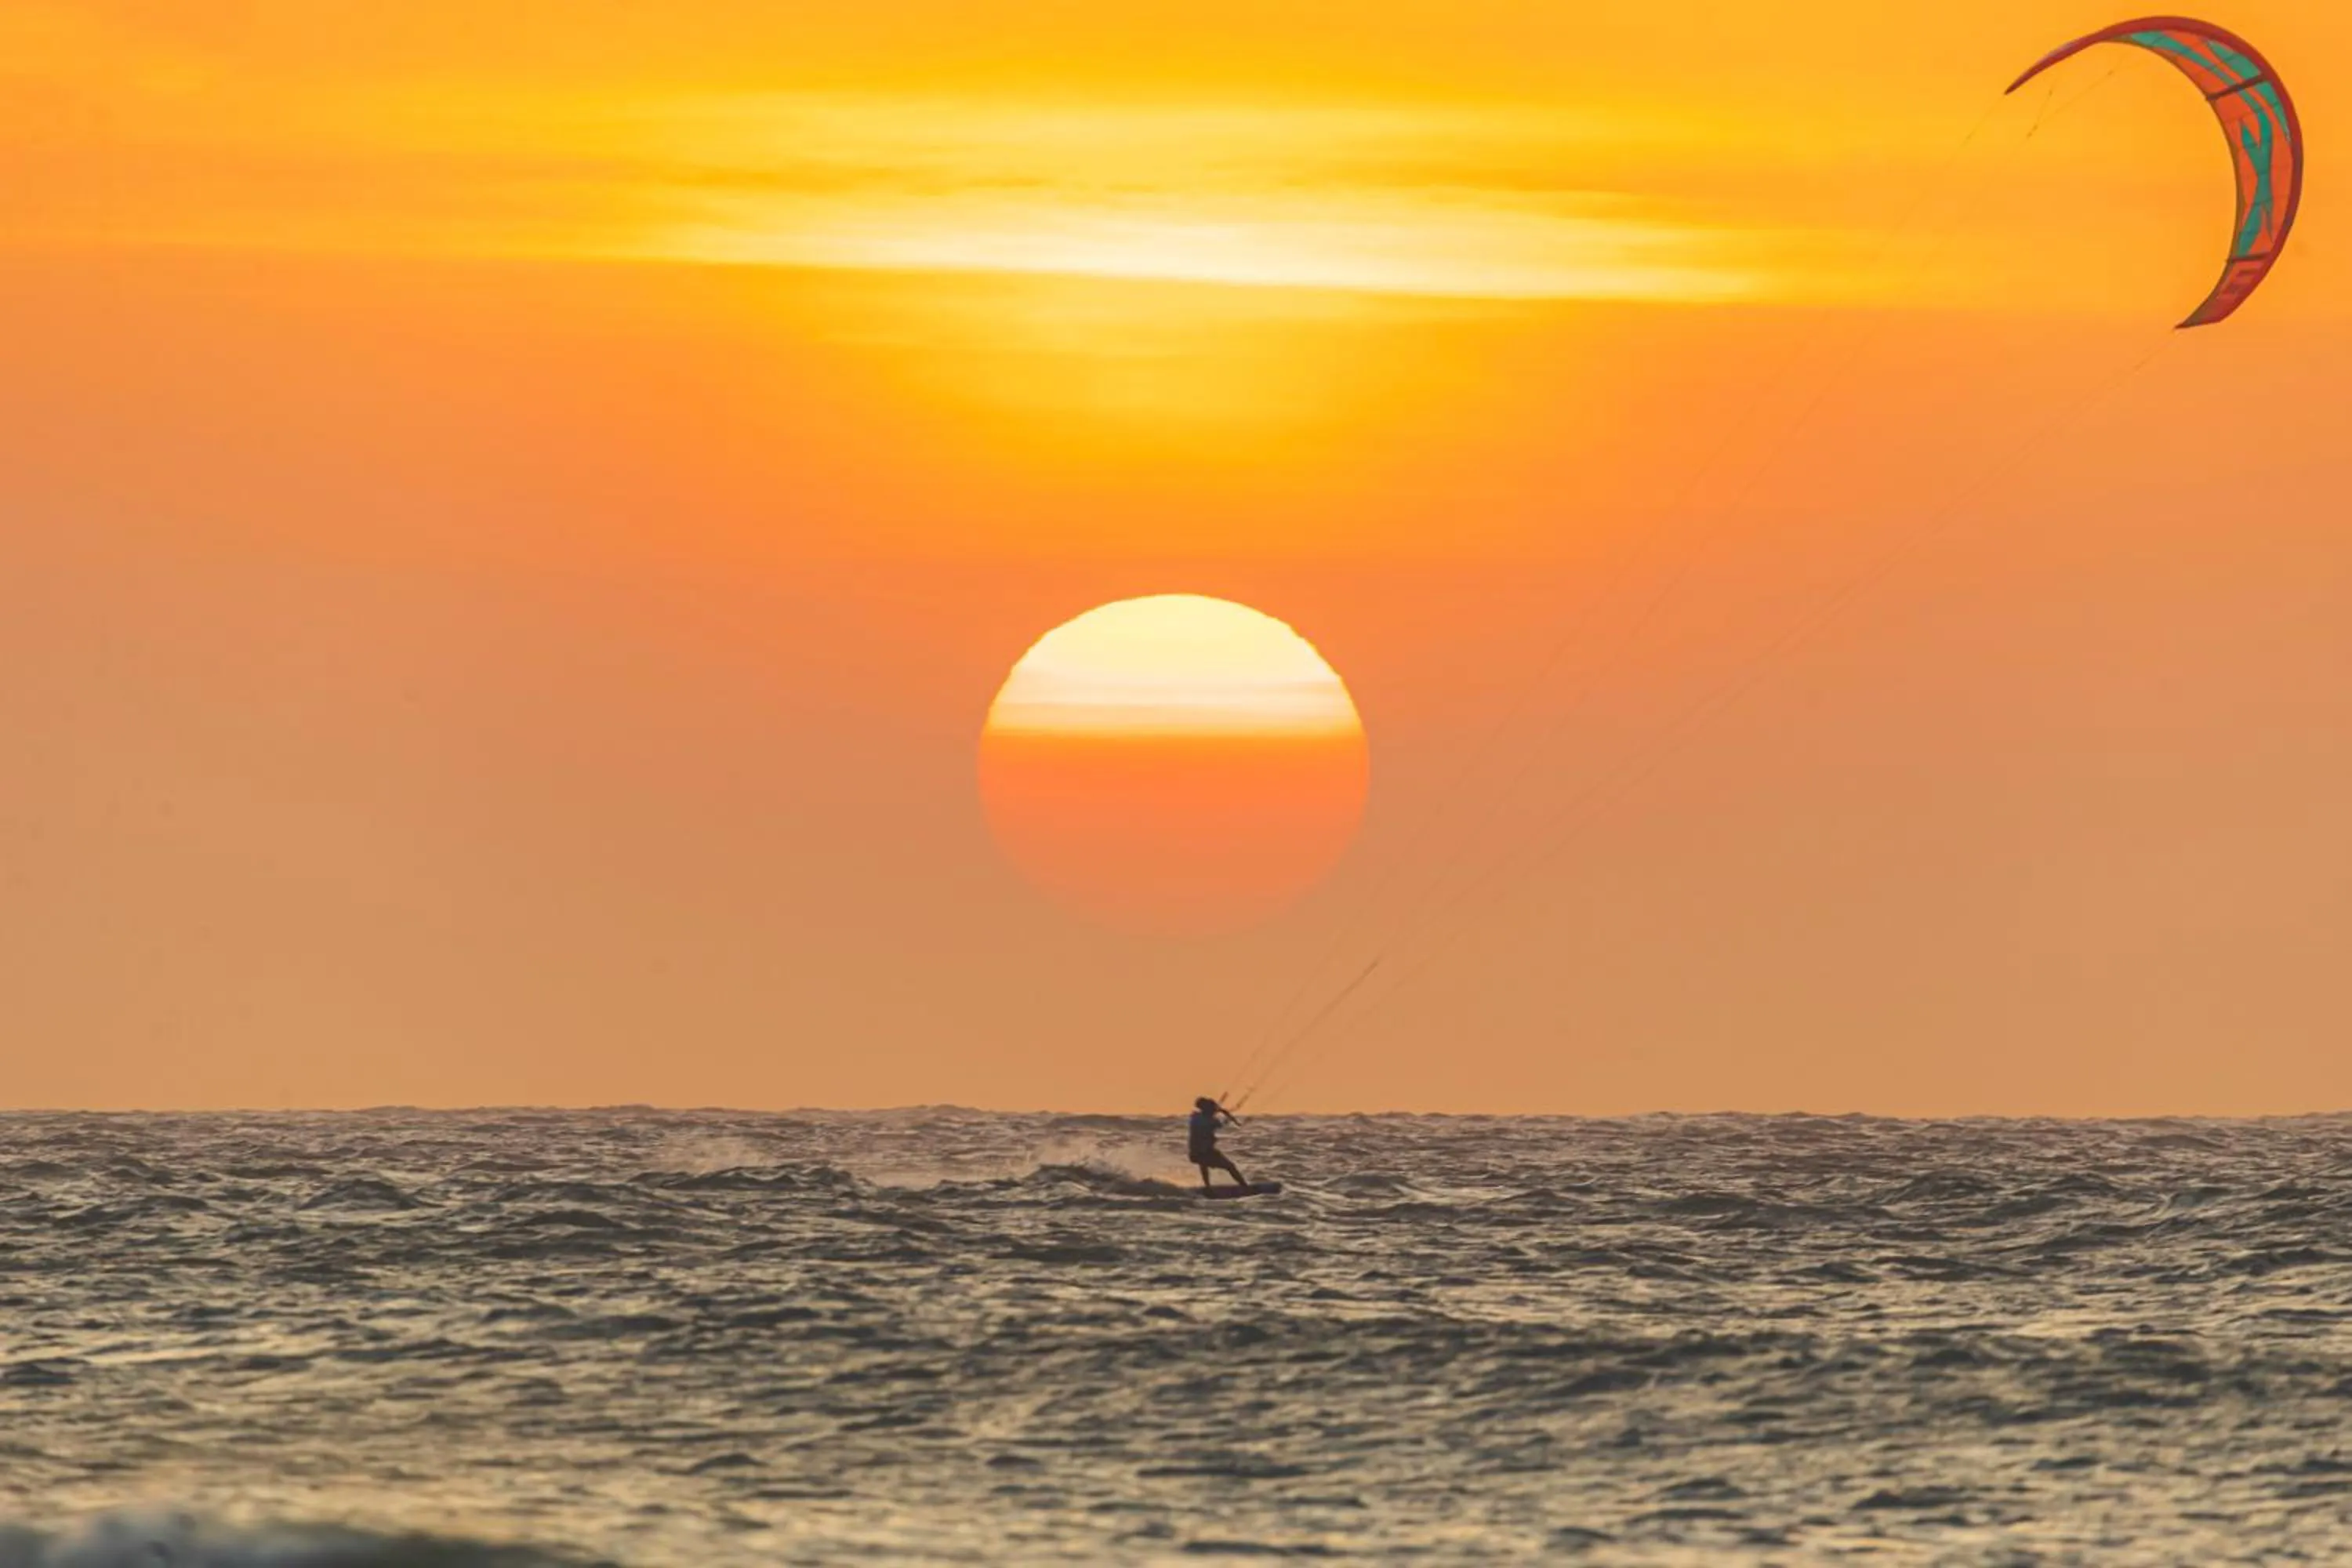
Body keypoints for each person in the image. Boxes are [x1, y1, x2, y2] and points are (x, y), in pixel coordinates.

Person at [1189, 1096, 1248, 1190]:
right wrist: (1226, 1116)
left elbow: (1214, 1121)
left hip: (1197, 1153)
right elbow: (1219, 1124)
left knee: (1204, 1163)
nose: (1214, 1111)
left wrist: (1221, 1111)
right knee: (1230, 1167)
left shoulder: (1196, 1118)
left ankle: (1207, 1186)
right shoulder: (1206, 1120)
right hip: (1203, 1152)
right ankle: (1245, 1187)